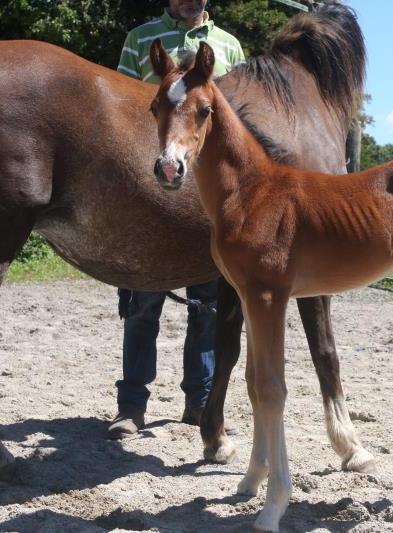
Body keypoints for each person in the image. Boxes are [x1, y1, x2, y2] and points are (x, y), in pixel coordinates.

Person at [109, 0, 245, 439]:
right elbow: (121, 111)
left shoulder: (229, 47)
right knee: (143, 300)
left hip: (207, 193)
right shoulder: (140, 39)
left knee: (207, 304)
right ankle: (131, 406)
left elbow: (237, 120)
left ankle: (200, 402)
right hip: (153, 186)